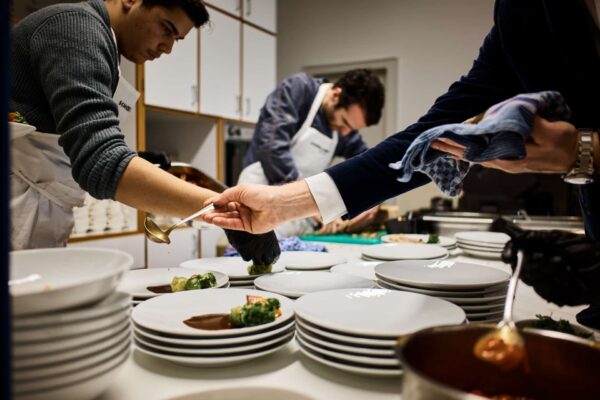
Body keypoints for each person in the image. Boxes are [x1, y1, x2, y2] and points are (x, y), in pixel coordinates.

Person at [202, 0, 600, 321]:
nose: (344, 134)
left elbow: (368, 154)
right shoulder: (521, 12)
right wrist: (282, 203)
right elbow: (421, 142)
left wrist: (586, 153)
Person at [9, 0, 279, 265]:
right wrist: (223, 212)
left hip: (36, 210)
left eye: (177, 39)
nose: (168, 47)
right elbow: (100, 164)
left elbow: (74, 141)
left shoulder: (101, 40)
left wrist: (136, 159)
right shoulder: (76, 28)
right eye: (166, 28)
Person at [238, 69, 384, 237]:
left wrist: (375, 197)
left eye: (351, 129)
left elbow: (368, 163)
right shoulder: (299, 89)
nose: (345, 133)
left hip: (299, 219)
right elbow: (273, 149)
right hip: (257, 205)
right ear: (336, 95)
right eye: (344, 122)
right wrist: (308, 202)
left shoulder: (343, 131)